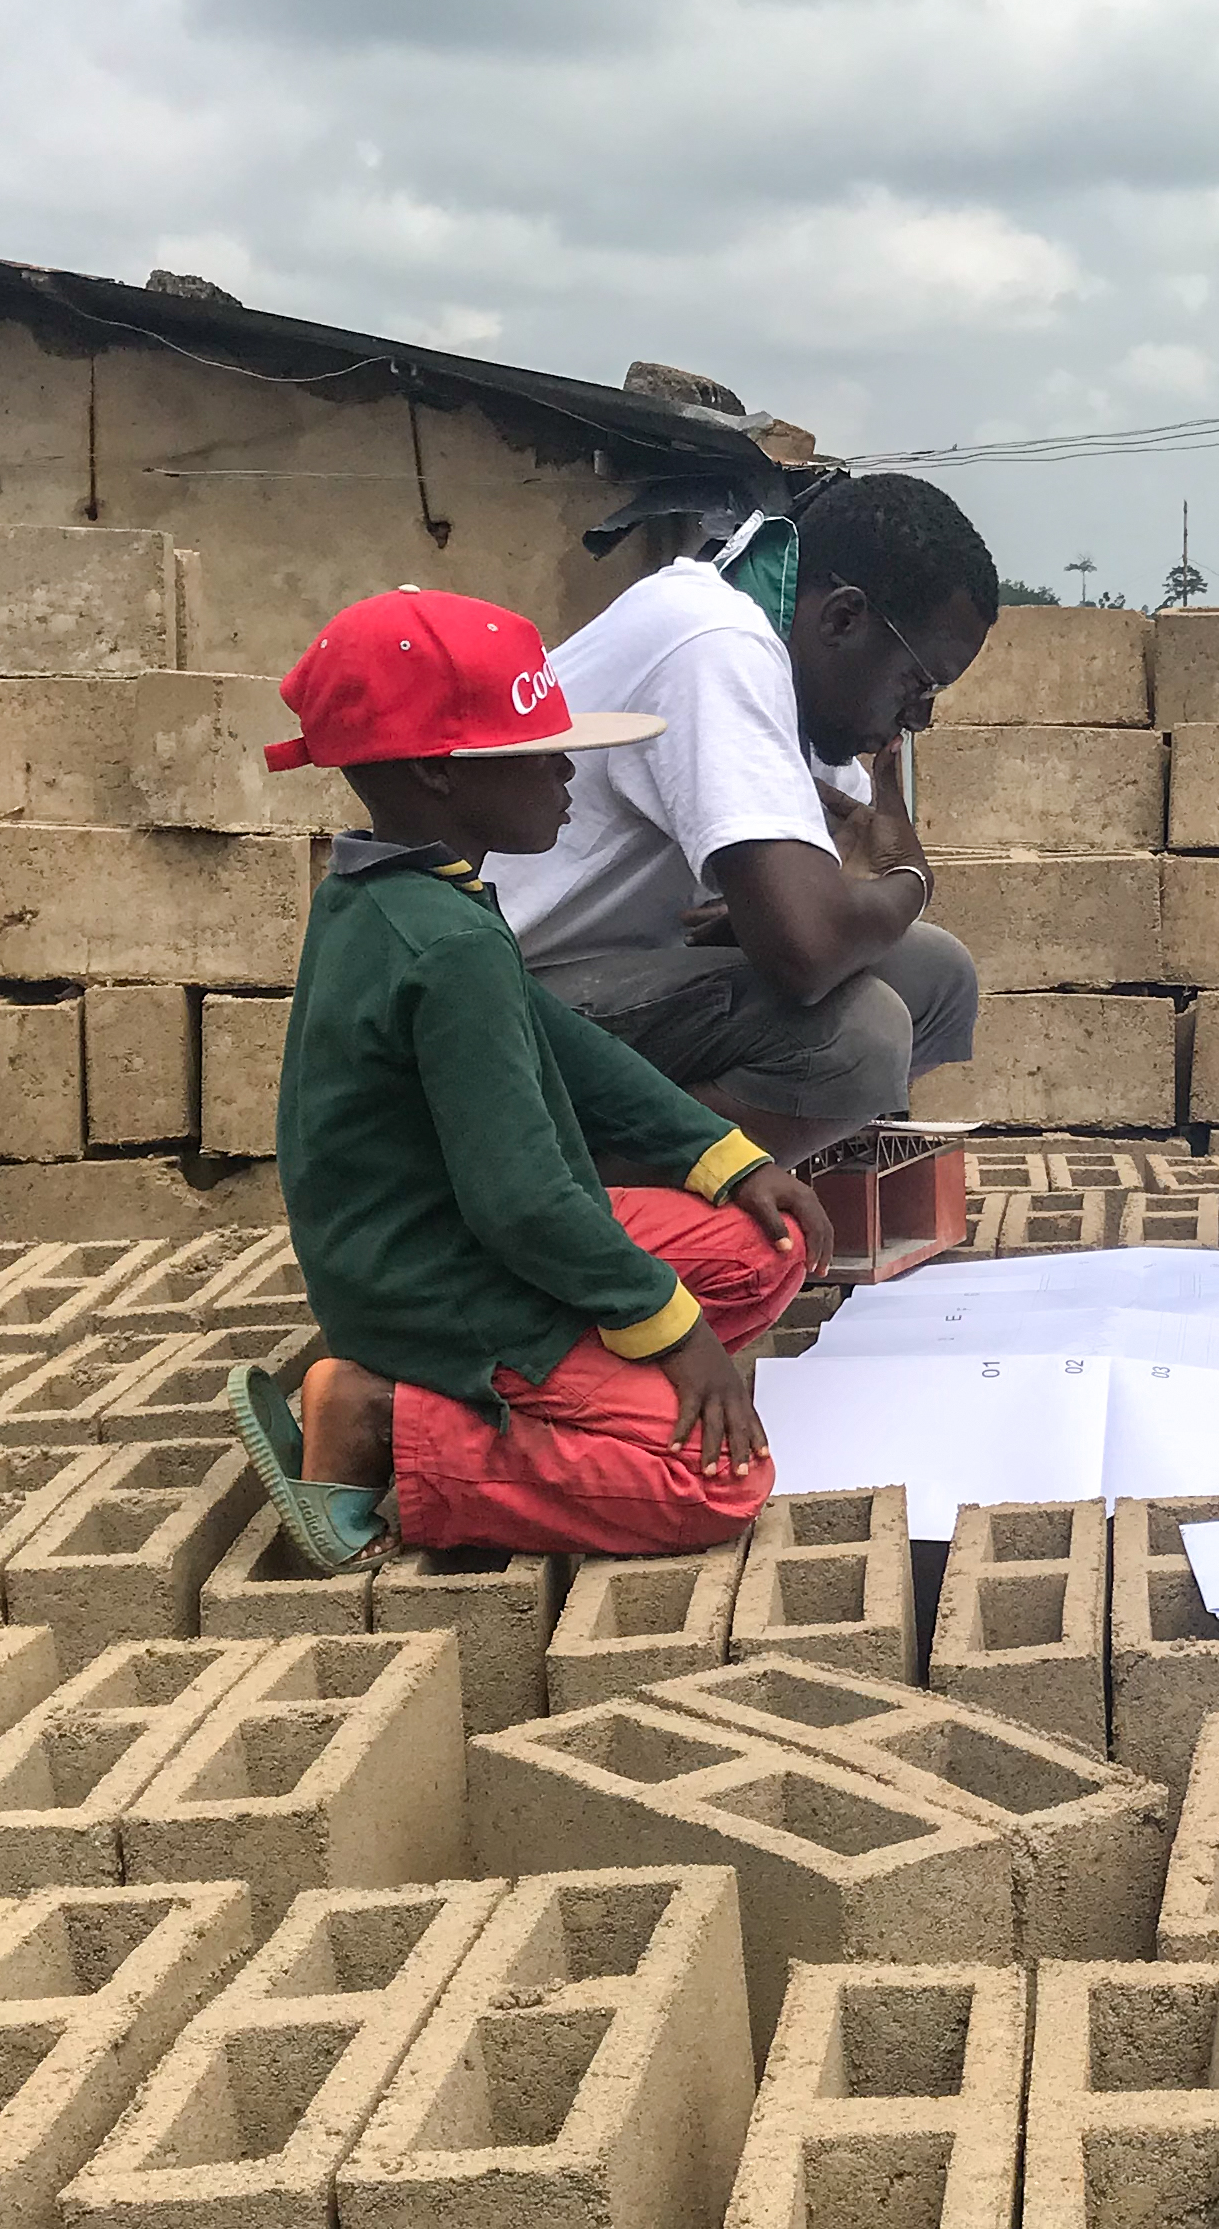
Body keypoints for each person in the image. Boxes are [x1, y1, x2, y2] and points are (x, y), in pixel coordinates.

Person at [224, 586, 834, 1573]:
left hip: (423, 1254)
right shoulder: (443, 943)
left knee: (765, 1244)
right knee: (720, 1483)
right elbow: (522, 1201)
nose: (567, 768)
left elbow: (567, 1046)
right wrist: (676, 1335)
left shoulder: (398, 891)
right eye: (539, 749)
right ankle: (388, 1421)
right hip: (442, 1285)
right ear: (437, 772)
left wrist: (724, 1159)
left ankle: (533, 1385)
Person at [502, 471, 1002, 1164]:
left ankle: (757, 1172)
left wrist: (834, 902)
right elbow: (809, 951)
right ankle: (559, 1196)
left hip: (616, 982)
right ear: (843, 618)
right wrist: (912, 877)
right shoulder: (716, 642)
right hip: (504, 1006)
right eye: (918, 683)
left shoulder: (791, 669)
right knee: (856, 1037)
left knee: (935, 975)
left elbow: (837, 898)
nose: (918, 718)